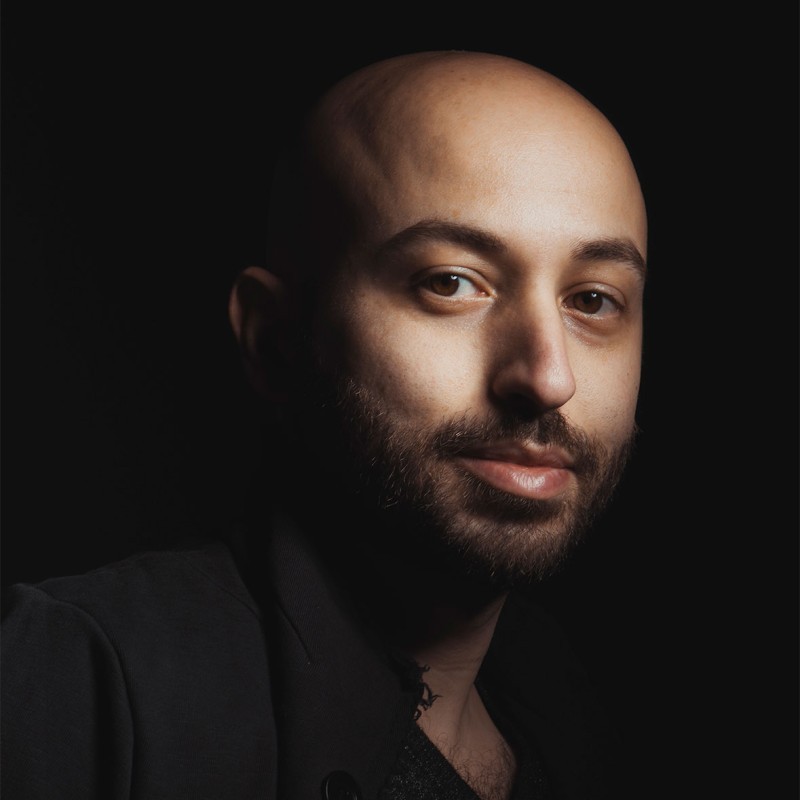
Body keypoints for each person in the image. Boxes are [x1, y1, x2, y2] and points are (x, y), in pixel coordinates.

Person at [1, 49, 647, 800]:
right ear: (277, 340)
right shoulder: (69, 689)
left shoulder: (577, 717)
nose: (547, 377)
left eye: (593, 300)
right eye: (451, 283)